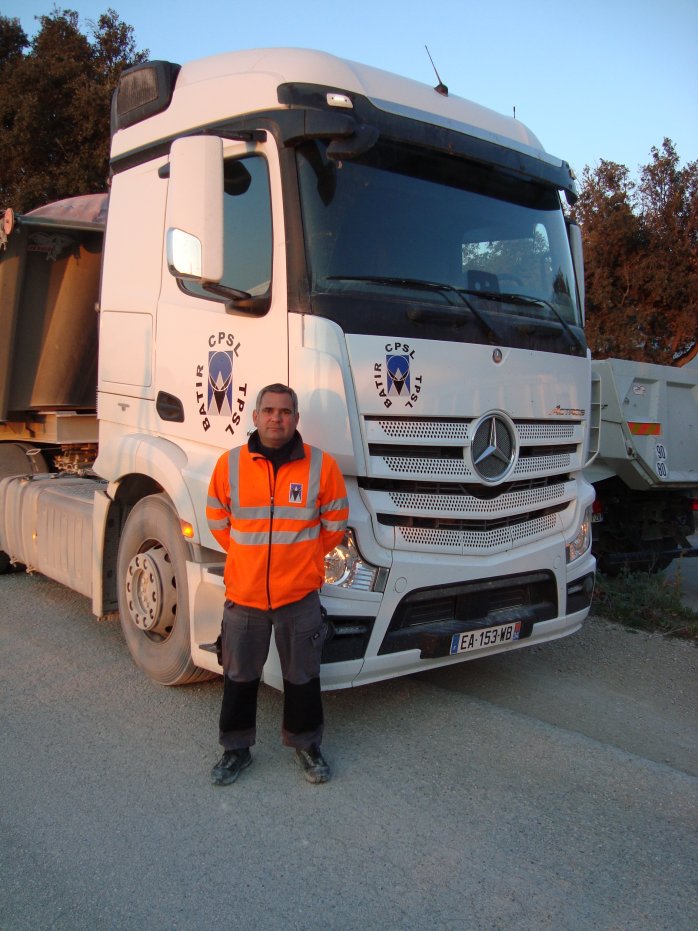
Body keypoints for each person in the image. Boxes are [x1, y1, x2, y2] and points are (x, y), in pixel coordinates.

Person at [206, 383, 349, 786]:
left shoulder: (321, 466)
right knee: (238, 676)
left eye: (285, 412)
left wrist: (301, 561)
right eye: (268, 410)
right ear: (255, 416)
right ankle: (235, 750)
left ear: (296, 419)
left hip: (298, 595)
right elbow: (217, 516)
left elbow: (335, 523)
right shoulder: (230, 464)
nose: (276, 418)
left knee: (303, 677)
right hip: (244, 593)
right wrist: (246, 555)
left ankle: (306, 746)